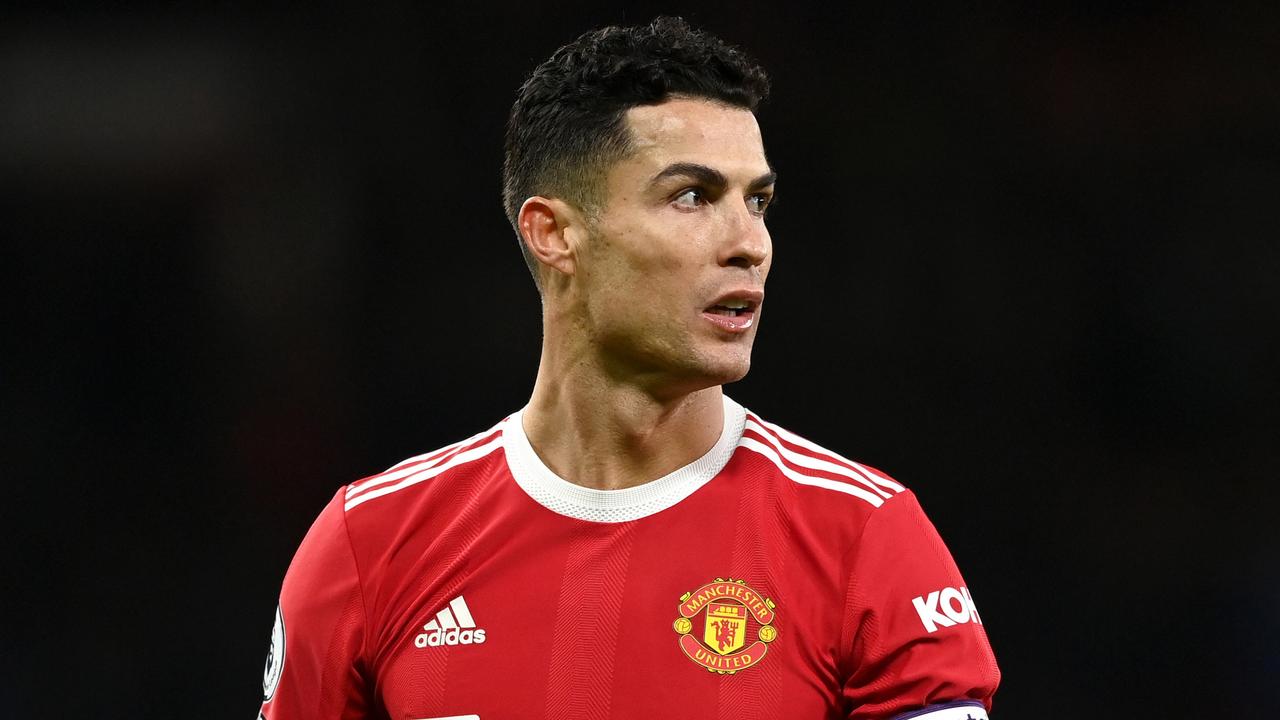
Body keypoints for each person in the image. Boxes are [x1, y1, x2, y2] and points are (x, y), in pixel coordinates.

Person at [258, 17, 1000, 720]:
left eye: (759, 201)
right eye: (692, 196)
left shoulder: (865, 540)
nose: (751, 244)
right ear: (553, 234)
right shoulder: (369, 548)